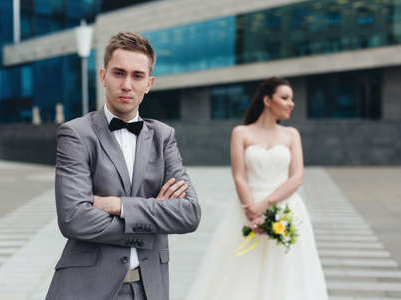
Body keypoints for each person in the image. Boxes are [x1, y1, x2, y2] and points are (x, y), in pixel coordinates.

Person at [46, 32, 201, 300]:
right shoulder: (76, 134)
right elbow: (74, 219)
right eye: (119, 73)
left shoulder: (164, 137)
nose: (127, 85)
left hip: (149, 289)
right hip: (87, 289)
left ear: (149, 83)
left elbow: (189, 213)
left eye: (137, 76)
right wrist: (153, 222)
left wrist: (118, 205)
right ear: (103, 76)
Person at [186, 77, 328, 299]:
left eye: (292, 99)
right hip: (247, 209)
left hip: (286, 208)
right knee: (242, 274)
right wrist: (250, 211)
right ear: (267, 100)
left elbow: (297, 177)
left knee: (288, 274)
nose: (291, 103)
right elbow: (239, 176)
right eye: (285, 98)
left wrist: (265, 204)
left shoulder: (292, 134)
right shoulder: (241, 133)